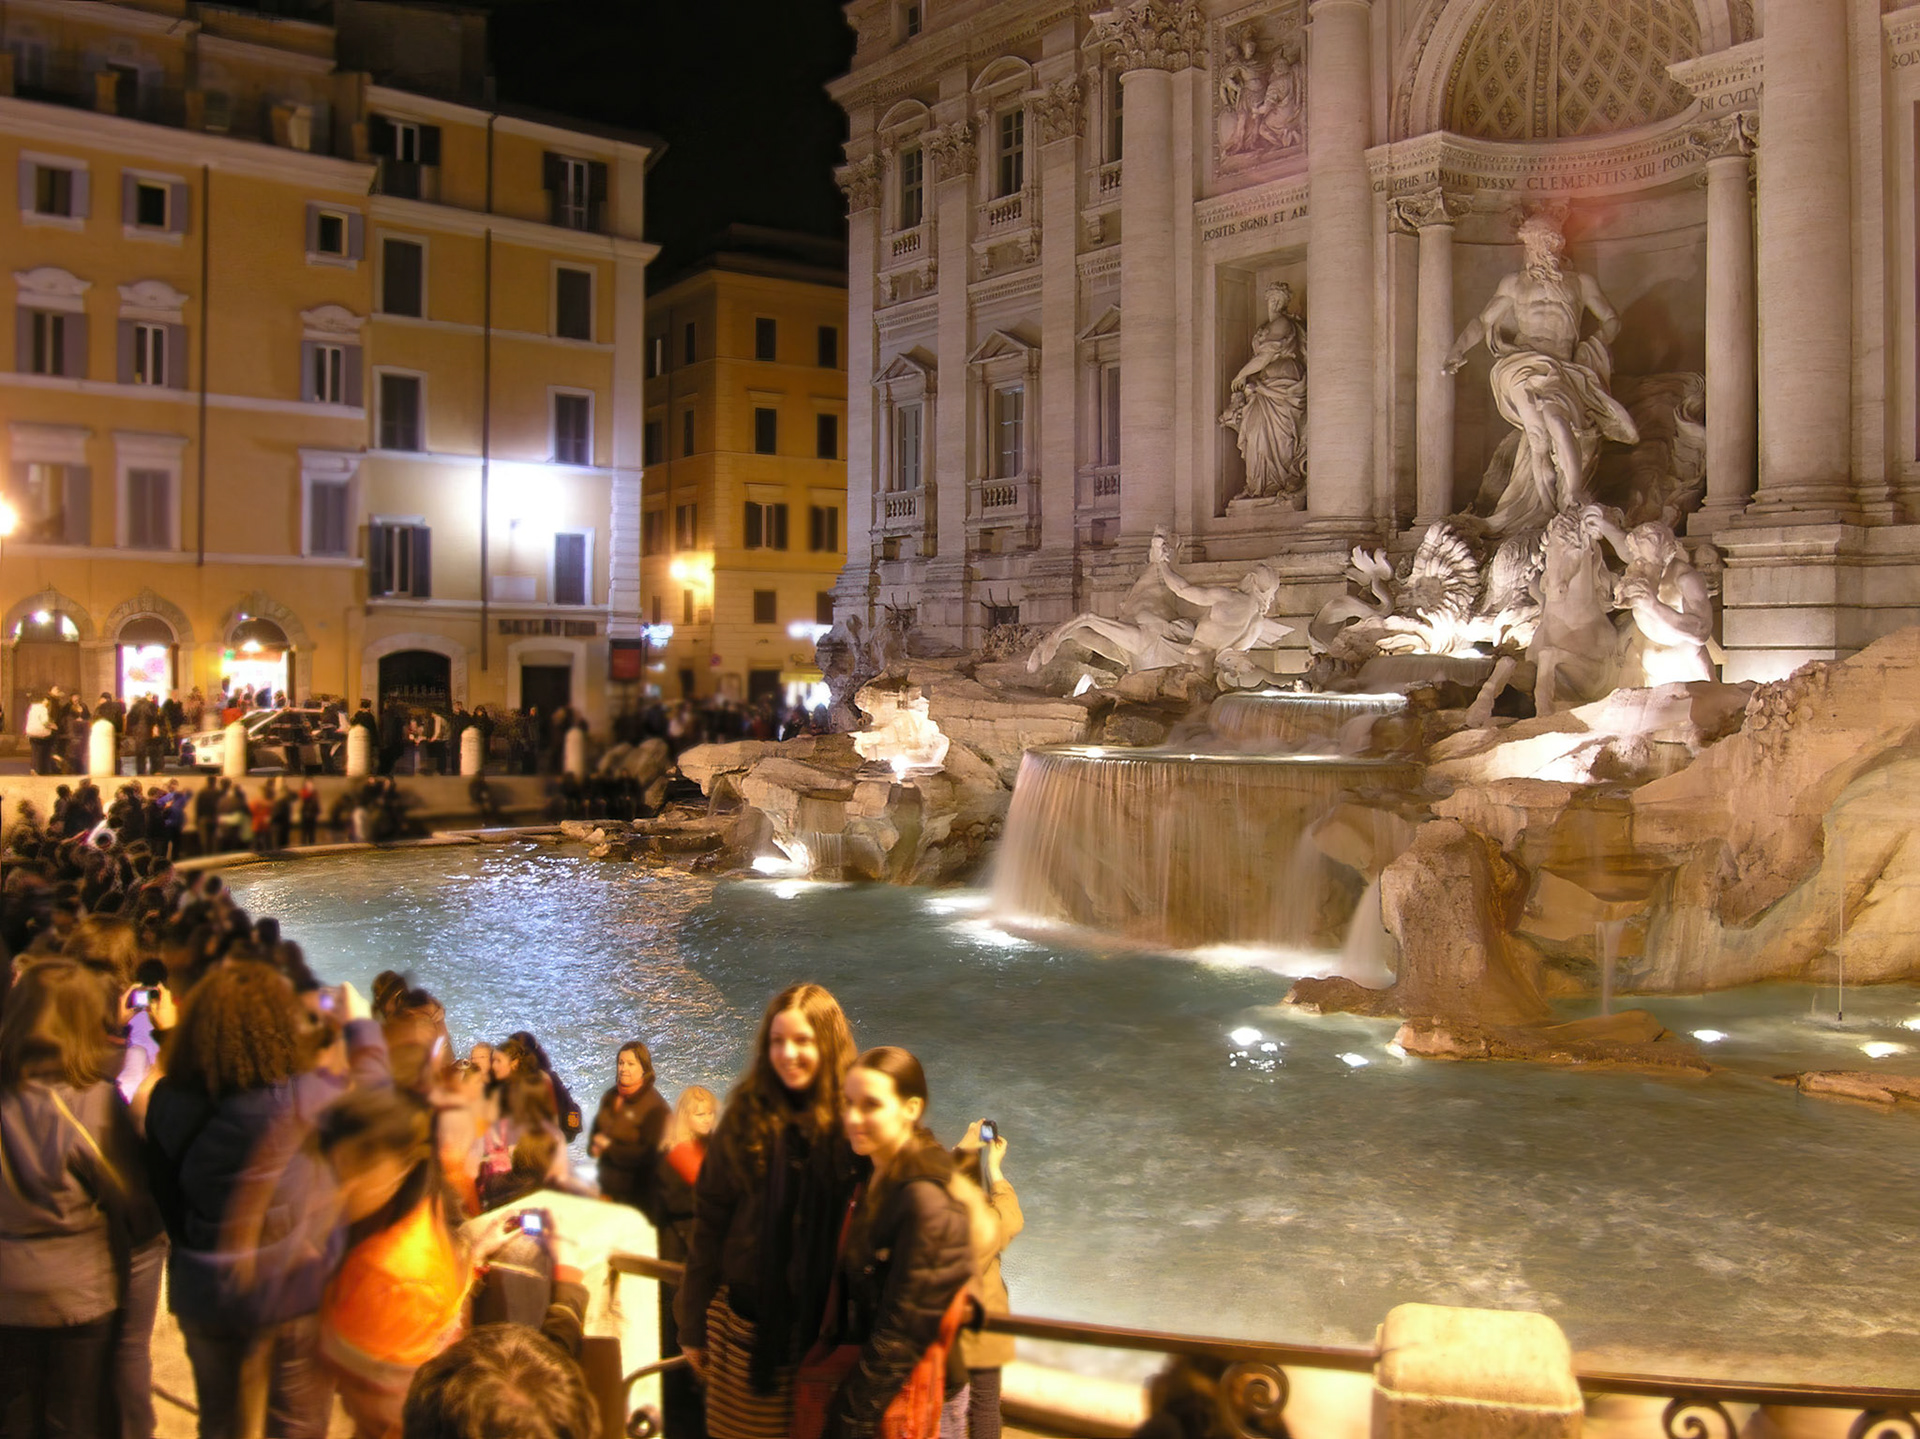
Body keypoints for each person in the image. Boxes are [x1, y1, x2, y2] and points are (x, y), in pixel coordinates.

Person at [144, 963, 384, 1439]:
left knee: (221, 1418)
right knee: (297, 1422)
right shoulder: (307, 1098)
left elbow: (165, 1196)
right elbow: (381, 1105)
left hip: (208, 1287)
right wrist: (361, 1026)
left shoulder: (168, 1101)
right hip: (294, 1291)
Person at [677, 983, 860, 1439]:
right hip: (747, 1330)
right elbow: (709, 1228)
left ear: (828, 1044)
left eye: (802, 1040)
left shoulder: (854, 1126)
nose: (788, 1054)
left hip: (823, 1337)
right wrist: (691, 1323)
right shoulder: (745, 1120)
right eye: (778, 1041)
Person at [0, 961, 162, 1439]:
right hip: (76, 1297)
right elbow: (131, 1202)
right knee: (73, 1419)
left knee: (14, 1415)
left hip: (6, 1294)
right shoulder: (91, 1102)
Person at [807, 1047, 973, 1439]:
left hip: (913, 1398)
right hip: (878, 1388)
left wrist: (849, 1421)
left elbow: (901, 1332)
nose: (853, 1117)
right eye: (848, 1103)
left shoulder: (926, 1199)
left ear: (911, 1108)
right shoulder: (871, 1171)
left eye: (871, 1105)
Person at [316, 1086, 470, 1439]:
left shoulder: (398, 1275)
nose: (340, 1184)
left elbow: (399, 1409)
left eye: (361, 1166)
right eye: (334, 1164)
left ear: (405, 1164)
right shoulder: (399, 1208)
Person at [946, 1123, 1022, 1439]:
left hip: (947, 1321)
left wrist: (962, 1148)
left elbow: (945, 1176)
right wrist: (994, 1169)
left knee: (947, 1404)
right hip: (985, 1318)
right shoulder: (987, 1219)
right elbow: (1012, 1218)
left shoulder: (936, 1215)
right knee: (986, 1405)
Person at [657, 1086, 717, 1439]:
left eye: (710, 1113)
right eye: (699, 1113)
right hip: (681, 1259)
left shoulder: (707, 1152)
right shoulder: (677, 1157)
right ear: (685, 1117)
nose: (707, 1119)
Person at [589, 1040, 669, 1217]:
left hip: (639, 1196)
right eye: (621, 1062)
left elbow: (651, 1155)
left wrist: (610, 1147)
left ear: (644, 1069)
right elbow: (598, 1126)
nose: (623, 1068)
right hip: (608, 1188)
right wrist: (593, 1146)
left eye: (631, 1064)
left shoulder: (656, 1107)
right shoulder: (611, 1095)